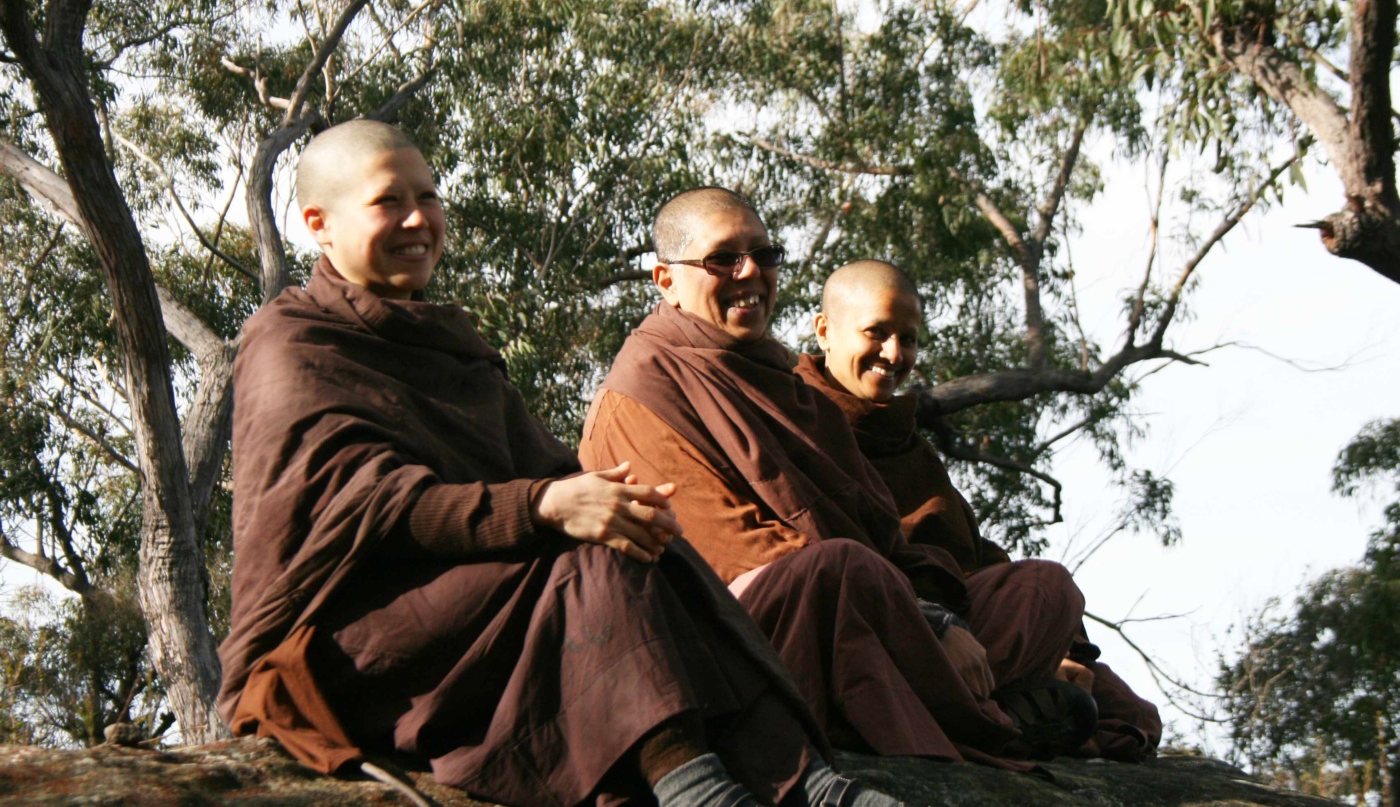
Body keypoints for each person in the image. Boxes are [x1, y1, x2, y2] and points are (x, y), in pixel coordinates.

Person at [217, 122, 901, 807]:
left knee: (648, 536)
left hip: (469, 611)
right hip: (345, 641)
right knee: (588, 552)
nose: (419, 219)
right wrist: (543, 507)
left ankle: (807, 781)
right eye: (387, 202)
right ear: (319, 224)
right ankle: (694, 786)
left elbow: (549, 465)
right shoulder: (290, 342)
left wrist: (609, 497)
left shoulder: (455, 348)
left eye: (429, 196)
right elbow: (365, 503)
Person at [581, 187, 1061, 768]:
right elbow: (731, 555)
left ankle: (931, 697)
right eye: (723, 259)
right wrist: (927, 624)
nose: (751, 271)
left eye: (764, 254)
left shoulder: (787, 383)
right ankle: (974, 711)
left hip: (873, 610)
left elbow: (882, 530)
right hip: (755, 630)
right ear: (666, 280)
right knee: (841, 569)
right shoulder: (642, 392)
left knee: (1041, 587)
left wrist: (939, 610)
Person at [797, 259, 1162, 762]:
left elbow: (977, 552)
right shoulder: (794, 417)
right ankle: (978, 715)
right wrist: (935, 624)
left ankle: (995, 706)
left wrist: (1064, 648)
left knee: (1132, 716)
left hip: (970, 630)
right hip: (885, 630)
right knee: (1053, 608)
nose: (894, 354)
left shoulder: (907, 443)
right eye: (875, 333)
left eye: (909, 338)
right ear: (825, 331)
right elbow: (817, 552)